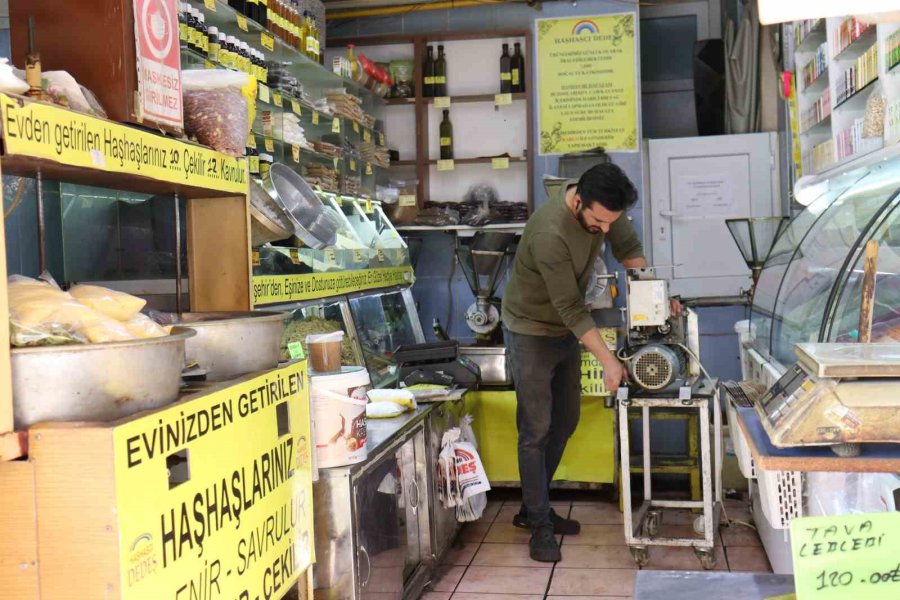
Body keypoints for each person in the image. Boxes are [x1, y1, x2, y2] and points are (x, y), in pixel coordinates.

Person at [502, 163, 651, 562]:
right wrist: (609, 362)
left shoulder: (606, 207)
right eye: (599, 221)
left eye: (611, 222)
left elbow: (629, 251)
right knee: (535, 429)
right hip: (531, 330)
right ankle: (539, 523)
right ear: (578, 201)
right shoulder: (550, 232)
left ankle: (531, 506)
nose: (605, 230)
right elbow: (569, 306)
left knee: (565, 420)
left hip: (564, 331)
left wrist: (653, 297)